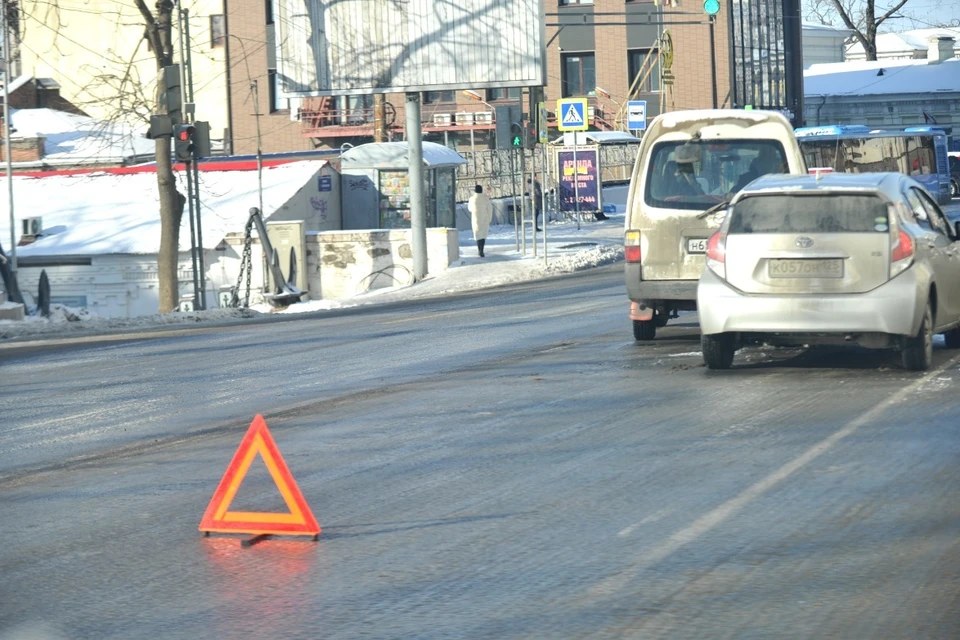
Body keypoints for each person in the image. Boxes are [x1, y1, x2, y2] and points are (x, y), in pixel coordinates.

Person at [468, 184, 493, 258]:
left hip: (475, 219)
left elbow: (470, 209)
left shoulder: (472, 199)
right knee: (483, 234)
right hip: (485, 218)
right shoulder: (485, 198)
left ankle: (479, 249)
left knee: (477, 234)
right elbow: (490, 209)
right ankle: (482, 249)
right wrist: (489, 218)